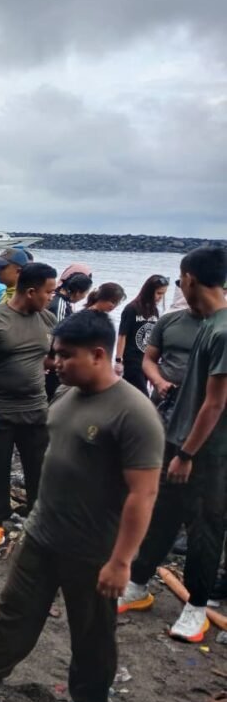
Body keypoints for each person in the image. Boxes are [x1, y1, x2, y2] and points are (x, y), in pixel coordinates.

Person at [0, 309, 163, 702]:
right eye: (54, 354)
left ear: (98, 354)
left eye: (64, 356)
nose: (54, 363)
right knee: (12, 616)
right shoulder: (65, 397)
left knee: (91, 634)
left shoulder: (135, 413)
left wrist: (121, 561)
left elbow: (143, 494)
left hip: (94, 549)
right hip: (41, 535)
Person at [117, 247, 227, 642]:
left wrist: (187, 454)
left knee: (205, 527)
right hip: (180, 437)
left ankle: (197, 607)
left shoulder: (224, 329)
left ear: (189, 279)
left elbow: (215, 403)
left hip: (210, 452)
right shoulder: (206, 323)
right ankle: (138, 583)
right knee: (163, 512)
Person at [0, 262, 58, 552]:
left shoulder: (48, 320)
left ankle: (39, 519)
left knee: (40, 467)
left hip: (36, 408)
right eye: (48, 291)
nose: (51, 297)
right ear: (31, 291)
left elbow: (47, 359)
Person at [142, 292, 205, 426]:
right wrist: (159, 382)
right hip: (163, 400)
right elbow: (148, 360)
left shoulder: (219, 326)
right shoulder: (168, 320)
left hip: (199, 406)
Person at [116, 275, 169, 392]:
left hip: (146, 361)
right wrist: (118, 361)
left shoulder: (154, 311)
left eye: (163, 294)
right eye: (159, 293)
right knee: (142, 395)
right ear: (149, 291)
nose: (160, 297)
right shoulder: (131, 308)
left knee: (135, 394)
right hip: (132, 361)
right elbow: (122, 335)